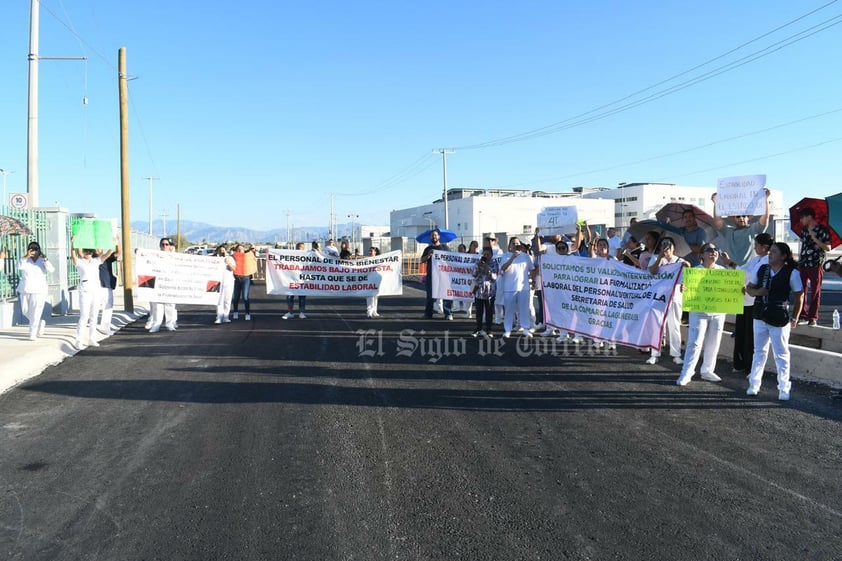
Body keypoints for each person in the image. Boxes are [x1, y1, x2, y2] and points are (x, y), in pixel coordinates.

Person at [745, 242, 804, 400]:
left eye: (774, 252)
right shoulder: (763, 269)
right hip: (760, 314)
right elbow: (749, 289)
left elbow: (800, 296)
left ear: (784, 256)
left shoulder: (792, 273)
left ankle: (784, 387)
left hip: (779, 316)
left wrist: (795, 317)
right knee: (759, 351)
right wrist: (759, 292)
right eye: (770, 251)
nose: (770, 254)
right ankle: (754, 384)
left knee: (781, 353)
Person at [676, 243, 727, 386]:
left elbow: (728, 290)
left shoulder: (723, 271)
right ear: (702, 255)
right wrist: (683, 288)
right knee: (695, 342)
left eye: (715, 249)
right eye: (709, 250)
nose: (713, 252)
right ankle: (687, 371)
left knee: (714, 342)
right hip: (699, 312)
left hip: (718, 312)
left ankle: (707, 370)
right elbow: (685, 289)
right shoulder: (694, 272)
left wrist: (737, 290)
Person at [728, 233, 773, 373]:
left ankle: (749, 366)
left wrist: (731, 265)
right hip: (744, 299)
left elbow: (750, 275)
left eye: (757, 245)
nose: (755, 247)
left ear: (765, 247)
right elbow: (742, 269)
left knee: (750, 335)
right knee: (741, 332)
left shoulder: (767, 261)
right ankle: (740, 362)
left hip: (755, 301)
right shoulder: (756, 259)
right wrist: (729, 264)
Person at [646, 236, 689, 365]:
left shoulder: (680, 261)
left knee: (674, 325)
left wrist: (685, 284)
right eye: (663, 245)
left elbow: (689, 271)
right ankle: (654, 353)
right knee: (657, 326)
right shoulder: (656, 259)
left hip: (675, 296)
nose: (666, 248)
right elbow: (652, 271)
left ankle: (676, 354)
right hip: (659, 297)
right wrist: (660, 257)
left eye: (669, 245)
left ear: (673, 248)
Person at [70, 241, 114, 349]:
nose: (88, 253)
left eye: (90, 251)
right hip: (85, 292)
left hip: (96, 291)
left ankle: (91, 338)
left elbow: (107, 254)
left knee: (94, 315)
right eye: (86, 251)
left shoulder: (96, 261)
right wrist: (72, 244)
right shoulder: (80, 262)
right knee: (84, 316)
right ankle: (79, 340)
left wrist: (113, 244)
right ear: (83, 252)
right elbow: (73, 256)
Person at [796, 207, 832, 327]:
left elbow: (828, 248)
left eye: (802, 217)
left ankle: (813, 317)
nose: (801, 220)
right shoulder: (804, 230)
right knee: (801, 290)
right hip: (804, 263)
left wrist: (815, 238)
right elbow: (804, 246)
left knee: (815, 291)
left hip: (816, 263)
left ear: (809, 217)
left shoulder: (822, 230)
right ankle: (802, 314)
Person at [16, 241, 54, 340]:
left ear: (39, 250)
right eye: (31, 249)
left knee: (35, 312)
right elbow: (19, 266)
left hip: (39, 290)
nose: (33, 252)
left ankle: (32, 333)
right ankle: (39, 322)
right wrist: (26, 256)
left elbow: (51, 269)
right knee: (25, 311)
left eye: (35, 250)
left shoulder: (42, 261)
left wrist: (45, 260)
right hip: (25, 289)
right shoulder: (25, 260)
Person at [499, 237, 535, 338]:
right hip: (509, 288)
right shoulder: (505, 256)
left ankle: (526, 328)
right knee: (509, 310)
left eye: (517, 243)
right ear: (510, 246)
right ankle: (507, 330)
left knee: (524, 309)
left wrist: (533, 282)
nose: (515, 245)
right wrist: (513, 257)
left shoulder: (526, 256)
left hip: (524, 288)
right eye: (513, 243)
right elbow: (503, 268)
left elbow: (532, 269)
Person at [148, 237, 178, 333]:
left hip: (171, 284)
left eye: (166, 244)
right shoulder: (155, 255)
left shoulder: (175, 257)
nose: (164, 246)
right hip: (159, 284)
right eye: (163, 244)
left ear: (170, 246)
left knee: (170, 305)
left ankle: (170, 324)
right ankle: (156, 324)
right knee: (157, 305)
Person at [421, 229, 452, 320]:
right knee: (430, 295)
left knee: (446, 295)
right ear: (430, 237)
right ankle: (428, 313)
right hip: (432, 275)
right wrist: (428, 255)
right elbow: (422, 260)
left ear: (439, 236)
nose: (434, 237)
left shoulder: (445, 248)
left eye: (435, 235)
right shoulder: (428, 249)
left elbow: (452, 260)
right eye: (432, 235)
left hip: (444, 275)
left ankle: (448, 313)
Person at [471, 246, 498, 337]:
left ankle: (489, 330)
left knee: (489, 311)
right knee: (479, 311)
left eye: (488, 254)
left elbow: (494, 277)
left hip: (489, 292)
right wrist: (478, 266)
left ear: (491, 255)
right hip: (479, 290)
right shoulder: (478, 263)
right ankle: (478, 328)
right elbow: (474, 274)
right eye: (484, 254)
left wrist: (486, 266)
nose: (486, 256)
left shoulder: (494, 264)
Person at [97, 243, 121, 335]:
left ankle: (105, 327)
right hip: (96, 286)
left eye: (100, 248)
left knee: (108, 306)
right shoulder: (92, 259)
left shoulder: (108, 258)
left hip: (107, 285)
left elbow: (118, 253)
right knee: (93, 307)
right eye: (97, 248)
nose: (99, 250)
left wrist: (117, 242)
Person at [283, 242, 308, 319]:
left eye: (302, 247)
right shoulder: (292, 255)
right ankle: (290, 312)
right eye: (300, 247)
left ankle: (302, 312)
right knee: (290, 296)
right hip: (292, 279)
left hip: (302, 279)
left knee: (302, 297)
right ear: (297, 248)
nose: (301, 249)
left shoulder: (306, 256)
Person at [231, 244, 255, 320]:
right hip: (236, 278)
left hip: (245, 278)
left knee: (245, 297)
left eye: (241, 249)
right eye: (238, 249)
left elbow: (254, 257)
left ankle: (247, 313)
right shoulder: (233, 256)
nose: (240, 250)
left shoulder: (248, 256)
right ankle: (235, 312)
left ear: (244, 250)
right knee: (236, 297)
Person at [214, 244, 235, 324]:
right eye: (220, 250)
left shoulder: (230, 258)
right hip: (218, 282)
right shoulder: (215, 259)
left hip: (229, 282)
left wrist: (228, 263)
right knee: (219, 300)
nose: (222, 252)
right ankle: (219, 317)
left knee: (227, 300)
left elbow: (234, 269)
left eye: (223, 250)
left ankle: (226, 316)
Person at [366, 246, 381, 318]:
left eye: (372, 251)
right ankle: (369, 311)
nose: (370, 252)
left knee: (376, 296)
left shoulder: (379, 260)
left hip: (376, 279)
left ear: (375, 252)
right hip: (369, 279)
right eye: (370, 251)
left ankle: (375, 311)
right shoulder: (366, 260)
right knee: (369, 296)